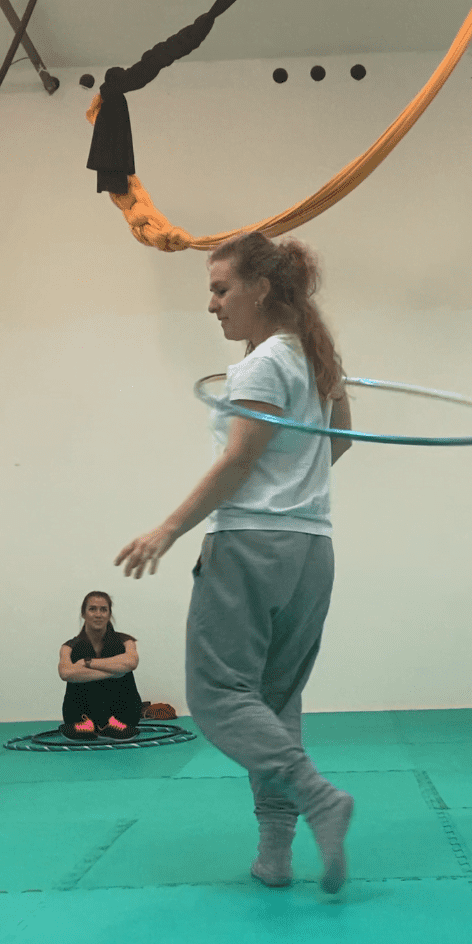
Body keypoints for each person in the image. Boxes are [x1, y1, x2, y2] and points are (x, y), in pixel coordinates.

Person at [114, 231, 354, 892]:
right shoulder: (314, 357)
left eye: (221, 289)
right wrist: (294, 490)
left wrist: (167, 529)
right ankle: (276, 853)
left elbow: (240, 458)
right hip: (312, 549)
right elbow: (340, 440)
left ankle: (317, 797)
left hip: (250, 546)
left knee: (219, 698)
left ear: (261, 289)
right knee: (274, 704)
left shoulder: (263, 365)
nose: (212, 304)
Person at [58, 591, 142, 741]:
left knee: (122, 662)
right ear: (83, 614)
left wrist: (87, 663)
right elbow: (66, 673)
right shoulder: (69, 647)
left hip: (123, 713)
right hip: (81, 714)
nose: (98, 614)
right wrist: (115, 672)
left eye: (103, 609)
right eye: (92, 609)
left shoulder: (126, 641)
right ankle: (88, 724)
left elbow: (131, 662)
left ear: (109, 614)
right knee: (118, 667)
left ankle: (113, 723)